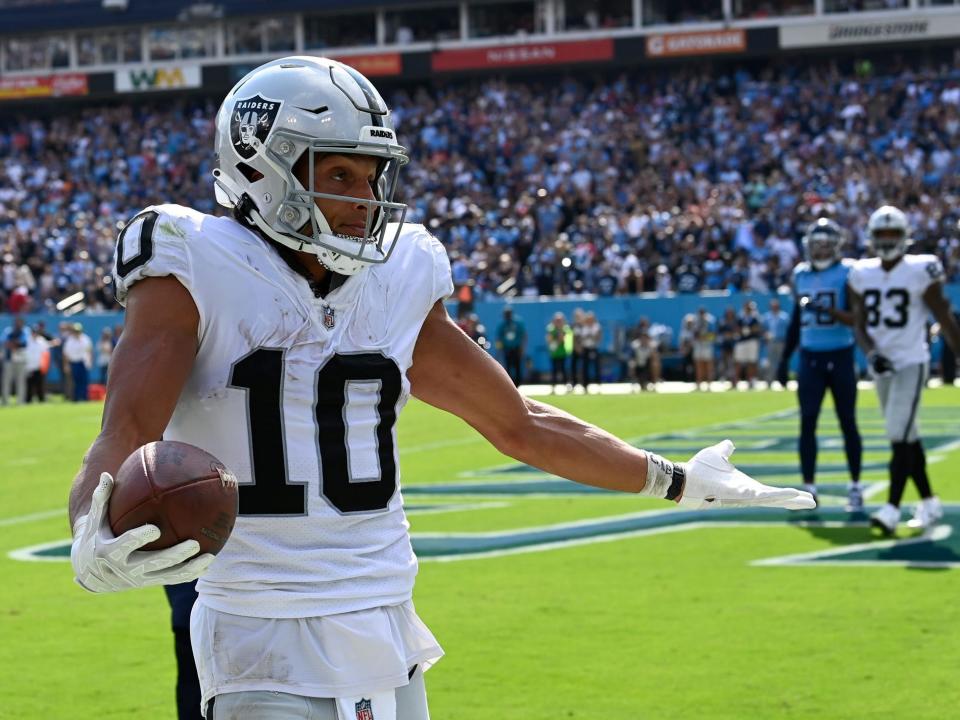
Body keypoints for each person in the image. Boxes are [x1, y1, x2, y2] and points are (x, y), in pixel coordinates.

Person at [67, 56, 813, 720]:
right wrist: (87, 527)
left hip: (385, 621)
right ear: (266, 170)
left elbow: (518, 422)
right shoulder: (193, 261)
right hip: (258, 626)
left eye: (370, 176)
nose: (365, 199)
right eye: (338, 176)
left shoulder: (397, 276)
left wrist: (680, 481)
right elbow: (126, 431)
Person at [848, 205, 960, 534]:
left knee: (897, 434)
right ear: (870, 237)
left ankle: (891, 509)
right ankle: (928, 500)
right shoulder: (860, 272)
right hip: (883, 364)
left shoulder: (920, 268)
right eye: (880, 234)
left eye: (892, 234)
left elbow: (942, 315)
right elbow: (859, 325)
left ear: (904, 237)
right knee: (908, 437)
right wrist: (871, 353)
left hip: (912, 360)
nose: (886, 240)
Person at [777, 218, 863, 509]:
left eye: (826, 245)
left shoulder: (848, 272)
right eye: (816, 245)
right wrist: (784, 359)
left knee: (847, 421)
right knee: (807, 422)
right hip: (810, 357)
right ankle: (809, 487)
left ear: (836, 246)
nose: (821, 250)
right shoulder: (800, 274)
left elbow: (856, 317)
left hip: (840, 354)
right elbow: (795, 321)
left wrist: (829, 310)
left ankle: (855, 485)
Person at [733, 300, 762, 388]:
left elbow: (757, 328)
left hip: (752, 342)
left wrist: (748, 330)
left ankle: (751, 381)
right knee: (738, 362)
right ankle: (736, 381)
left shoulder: (755, 317)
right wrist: (743, 331)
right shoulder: (740, 317)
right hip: (741, 342)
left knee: (751, 362)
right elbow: (736, 328)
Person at [494, 305, 526, 386]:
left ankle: (518, 384)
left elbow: (524, 335)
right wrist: (499, 349)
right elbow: (498, 338)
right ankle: (510, 385)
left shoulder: (518, 322)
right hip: (507, 348)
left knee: (517, 366)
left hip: (516, 348)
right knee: (508, 367)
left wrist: (522, 348)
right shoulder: (502, 324)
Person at [762, 297, 790, 387]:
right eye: (773, 306)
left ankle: (783, 381)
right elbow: (763, 329)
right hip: (771, 342)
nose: (774, 307)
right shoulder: (767, 317)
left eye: (776, 305)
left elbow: (788, 330)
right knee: (770, 362)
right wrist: (765, 335)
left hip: (782, 341)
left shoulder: (784, 316)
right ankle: (769, 382)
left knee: (783, 362)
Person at [1, 315, 29, 405]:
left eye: (20, 323)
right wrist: (13, 344)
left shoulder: (25, 330)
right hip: (9, 359)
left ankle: (20, 401)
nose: (18, 324)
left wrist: (13, 343)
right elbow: (3, 342)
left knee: (20, 381)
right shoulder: (8, 331)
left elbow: (23, 343)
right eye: (17, 322)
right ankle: (5, 401)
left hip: (20, 359)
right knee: (6, 381)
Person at [62, 322, 93, 402]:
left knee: (84, 381)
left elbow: (89, 351)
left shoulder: (85, 339)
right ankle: (76, 397)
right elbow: (66, 354)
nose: (77, 333)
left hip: (83, 362)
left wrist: (90, 361)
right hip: (74, 362)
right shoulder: (70, 340)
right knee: (76, 381)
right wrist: (66, 365)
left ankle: (85, 397)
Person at [692, 307, 716, 390]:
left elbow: (713, 336)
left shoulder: (710, 321)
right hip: (698, 346)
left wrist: (704, 337)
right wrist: (699, 337)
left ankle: (709, 384)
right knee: (699, 365)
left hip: (707, 345)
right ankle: (699, 384)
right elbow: (694, 335)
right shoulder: (696, 322)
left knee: (708, 366)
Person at [545, 311, 571, 389]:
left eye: (560, 320)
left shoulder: (565, 328)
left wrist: (559, 330)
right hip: (554, 353)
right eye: (557, 320)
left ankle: (566, 385)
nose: (558, 322)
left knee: (563, 370)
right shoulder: (550, 328)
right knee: (554, 370)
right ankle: (553, 386)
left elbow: (562, 340)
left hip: (562, 352)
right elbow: (549, 340)